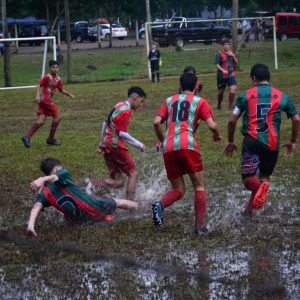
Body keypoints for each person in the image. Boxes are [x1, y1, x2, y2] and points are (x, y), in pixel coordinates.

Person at [224, 64, 300, 218]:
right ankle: (248, 212)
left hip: (252, 141)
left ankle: (259, 189)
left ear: (254, 78)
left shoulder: (245, 95)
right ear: (269, 78)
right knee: (264, 176)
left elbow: (232, 121)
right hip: (272, 144)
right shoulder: (282, 96)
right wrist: (292, 141)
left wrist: (231, 140)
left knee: (248, 180)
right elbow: (297, 119)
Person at [152, 72, 222, 235]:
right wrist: (217, 134)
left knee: (179, 190)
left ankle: (159, 206)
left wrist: (163, 140)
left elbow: (156, 122)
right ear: (196, 86)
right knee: (199, 186)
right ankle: (199, 227)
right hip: (188, 146)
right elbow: (212, 125)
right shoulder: (200, 101)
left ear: (180, 86)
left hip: (169, 148)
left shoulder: (169, 100)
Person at [26, 158, 139, 237]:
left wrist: (31, 225)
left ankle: (110, 217)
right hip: (94, 205)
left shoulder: (44, 194)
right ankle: (139, 207)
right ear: (56, 169)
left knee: (105, 218)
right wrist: (42, 179)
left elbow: (36, 206)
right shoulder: (63, 173)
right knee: (117, 202)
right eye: (60, 168)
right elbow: (55, 177)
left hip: (82, 221)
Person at [91, 86, 146, 201]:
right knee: (133, 174)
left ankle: (90, 187)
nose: (141, 105)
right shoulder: (126, 111)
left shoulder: (118, 105)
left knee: (118, 181)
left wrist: (102, 143)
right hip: (115, 145)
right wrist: (139, 145)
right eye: (141, 101)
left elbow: (104, 124)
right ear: (135, 98)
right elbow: (122, 133)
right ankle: (130, 206)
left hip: (107, 143)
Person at [21, 60, 75, 148]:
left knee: (41, 121)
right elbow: (38, 85)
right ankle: (50, 139)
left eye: (57, 67)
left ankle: (27, 137)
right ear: (50, 68)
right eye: (53, 67)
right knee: (58, 117)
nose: (55, 69)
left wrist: (69, 94)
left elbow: (61, 89)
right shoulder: (47, 77)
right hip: (45, 100)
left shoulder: (58, 79)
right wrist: (37, 96)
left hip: (44, 101)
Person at [215, 40, 238, 110]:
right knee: (220, 92)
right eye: (225, 44)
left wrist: (233, 56)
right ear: (222, 46)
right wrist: (223, 70)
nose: (227, 46)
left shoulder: (231, 53)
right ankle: (219, 104)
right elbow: (217, 65)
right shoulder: (219, 54)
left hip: (231, 74)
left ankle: (230, 105)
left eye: (228, 44)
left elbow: (236, 63)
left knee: (233, 89)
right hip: (221, 76)